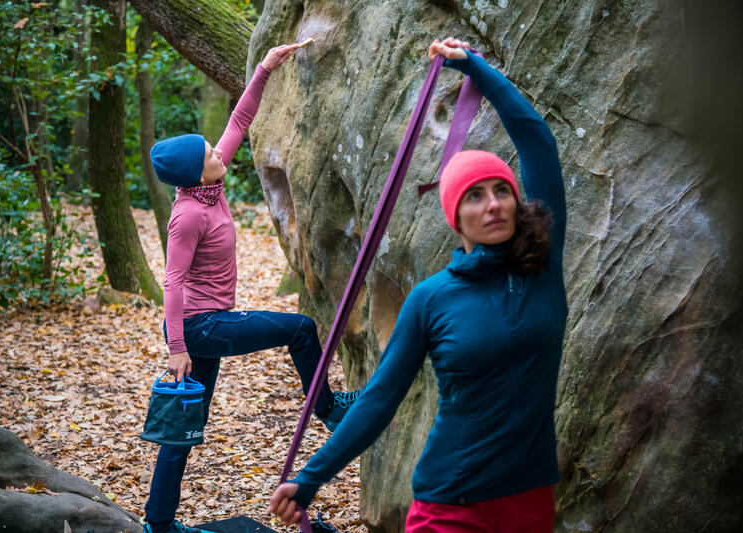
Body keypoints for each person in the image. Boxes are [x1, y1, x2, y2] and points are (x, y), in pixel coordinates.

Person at [269, 37, 567, 532]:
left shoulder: (541, 271)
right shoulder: (432, 299)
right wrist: (310, 477)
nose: (492, 203)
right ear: (455, 218)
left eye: (501, 191)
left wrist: (475, 68)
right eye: (474, 196)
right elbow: (379, 399)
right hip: (447, 506)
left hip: (527, 502)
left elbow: (537, 140)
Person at [143, 44, 360, 533]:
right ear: (195, 173)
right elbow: (173, 282)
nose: (219, 151)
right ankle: (326, 408)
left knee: (184, 427)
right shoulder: (187, 215)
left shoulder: (210, 185)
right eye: (209, 154)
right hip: (200, 327)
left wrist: (264, 67)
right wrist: (177, 348)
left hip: (205, 323)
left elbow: (239, 121)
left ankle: (157, 524)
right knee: (302, 329)